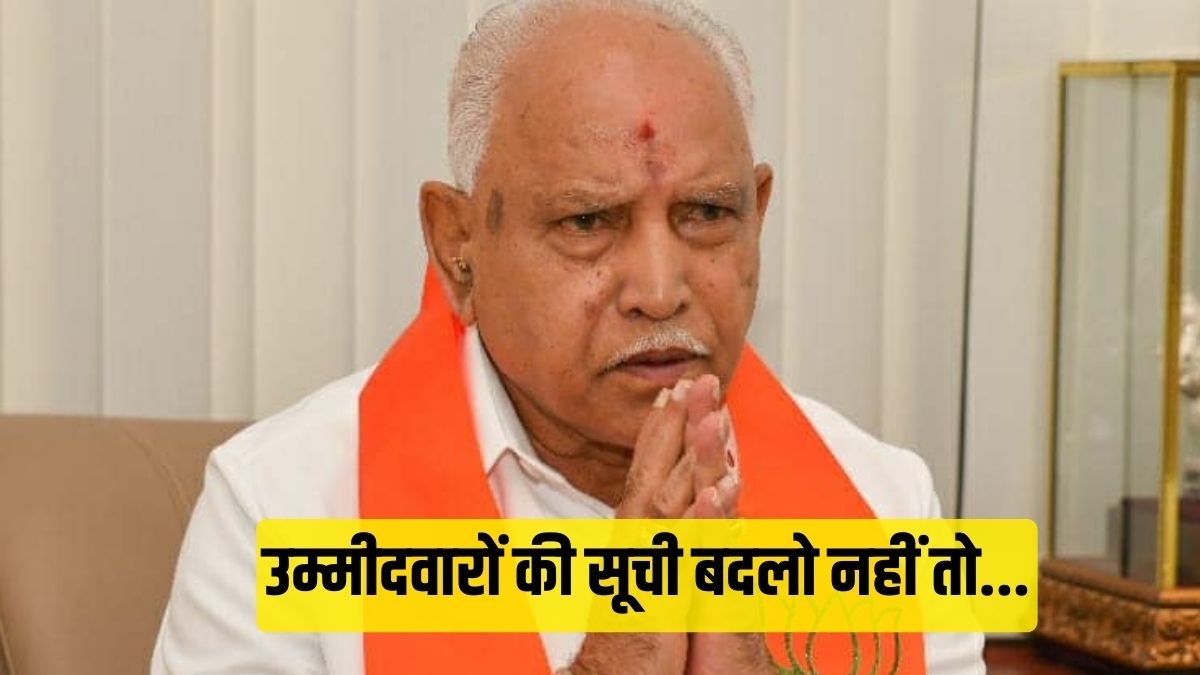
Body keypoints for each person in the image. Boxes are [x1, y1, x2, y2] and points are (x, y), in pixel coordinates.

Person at [152, 1, 985, 673]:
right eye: (588, 221)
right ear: (458, 245)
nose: (659, 290)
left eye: (706, 213)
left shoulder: (887, 505)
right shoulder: (282, 511)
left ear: (757, 217)